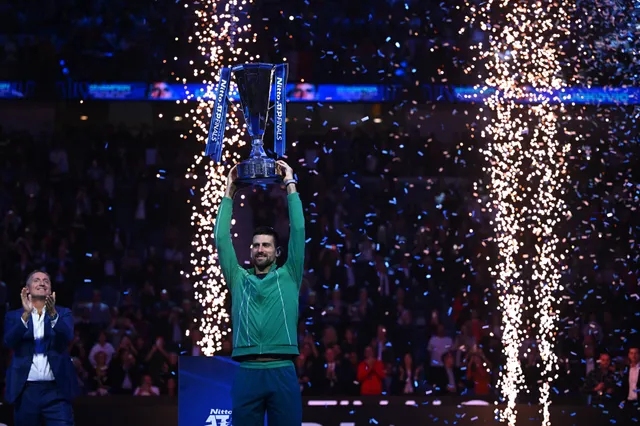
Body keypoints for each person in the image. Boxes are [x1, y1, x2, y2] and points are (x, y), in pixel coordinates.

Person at [214, 160, 305, 426]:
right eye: (256, 245)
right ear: (251, 251)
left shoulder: (290, 275)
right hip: (248, 372)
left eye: (266, 245)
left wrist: (290, 184)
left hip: (282, 370)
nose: (260, 249)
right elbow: (221, 239)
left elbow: (298, 230)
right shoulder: (238, 278)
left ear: (277, 252)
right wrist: (230, 190)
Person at [3, 270, 79, 425]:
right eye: (37, 280)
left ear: (50, 289)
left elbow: (68, 336)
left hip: (56, 391)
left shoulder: (63, 313)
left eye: (46, 281)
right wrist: (26, 315)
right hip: (25, 391)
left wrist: (52, 315)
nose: (42, 283)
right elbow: (8, 342)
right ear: (27, 289)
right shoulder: (13, 316)